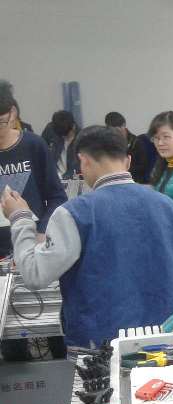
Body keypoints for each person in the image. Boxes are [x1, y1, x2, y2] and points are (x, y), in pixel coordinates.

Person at [1, 125, 173, 404]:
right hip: (159, 345)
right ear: (127, 160)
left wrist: (21, 219)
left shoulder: (75, 213)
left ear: (83, 162)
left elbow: (36, 274)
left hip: (97, 353)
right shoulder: (167, 206)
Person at [0, 79, 67, 362]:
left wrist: (41, 232)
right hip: (2, 258)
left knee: (53, 330)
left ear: (12, 113)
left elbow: (57, 197)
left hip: (36, 250)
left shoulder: (33, 145)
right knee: (11, 339)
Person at [104, 112, 150, 183]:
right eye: (111, 131)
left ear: (124, 125)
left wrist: (122, 170)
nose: (114, 133)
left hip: (133, 180)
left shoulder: (137, 143)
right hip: (113, 179)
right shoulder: (106, 143)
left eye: (117, 130)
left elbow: (142, 166)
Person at [47, 110, 78, 179]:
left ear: (73, 126)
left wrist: (64, 177)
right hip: (56, 177)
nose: (63, 137)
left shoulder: (82, 140)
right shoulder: (52, 131)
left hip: (72, 179)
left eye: (66, 134)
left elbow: (78, 168)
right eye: (61, 135)